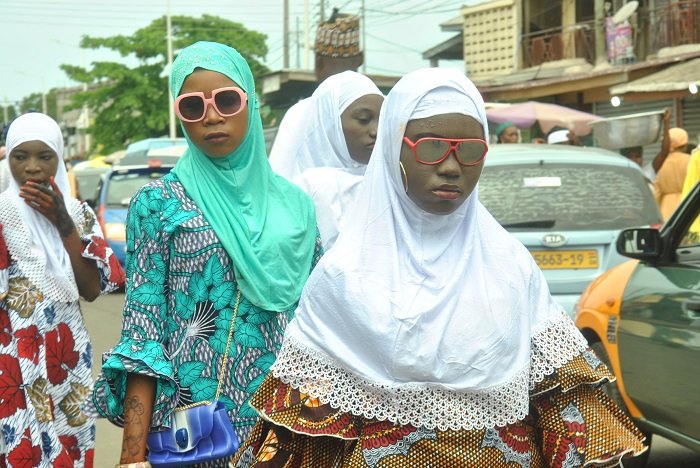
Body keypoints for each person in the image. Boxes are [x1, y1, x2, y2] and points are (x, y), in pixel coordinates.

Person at [232, 68, 647, 467]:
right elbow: (304, 440)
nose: (451, 166)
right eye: (431, 147)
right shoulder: (342, 276)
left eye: (470, 150)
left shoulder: (511, 268)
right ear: (395, 150)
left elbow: (562, 407)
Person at [90, 41, 323, 467]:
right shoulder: (158, 204)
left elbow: (320, 325)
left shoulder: (296, 207)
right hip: (190, 430)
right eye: (193, 107)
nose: (211, 116)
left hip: (283, 425)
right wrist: (131, 456)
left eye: (227, 100)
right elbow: (143, 330)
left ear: (250, 104)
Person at [0, 113, 125, 467]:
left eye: (45, 156)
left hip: (67, 356)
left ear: (59, 158)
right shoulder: (2, 212)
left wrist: (62, 222)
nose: (33, 168)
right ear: (8, 159)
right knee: (21, 450)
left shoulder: (78, 213)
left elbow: (90, 289)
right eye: (20, 157)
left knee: (71, 443)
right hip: (14, 356)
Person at [276, 71, 383, 249]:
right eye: (364, 120)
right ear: (329, 123)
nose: (376, 131)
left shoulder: (388, 185)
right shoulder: (306, 190)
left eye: (383, 119)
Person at [268, 10, 364, 167]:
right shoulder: (382, 108)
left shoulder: (300, 113)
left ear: (318, 63)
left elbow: (278, 177)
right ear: (361, 59)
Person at [654, 127, 691, 220]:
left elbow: (656, 193)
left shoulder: (659, 163)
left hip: (666, 211)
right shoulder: (691, 160)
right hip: (689, 205)